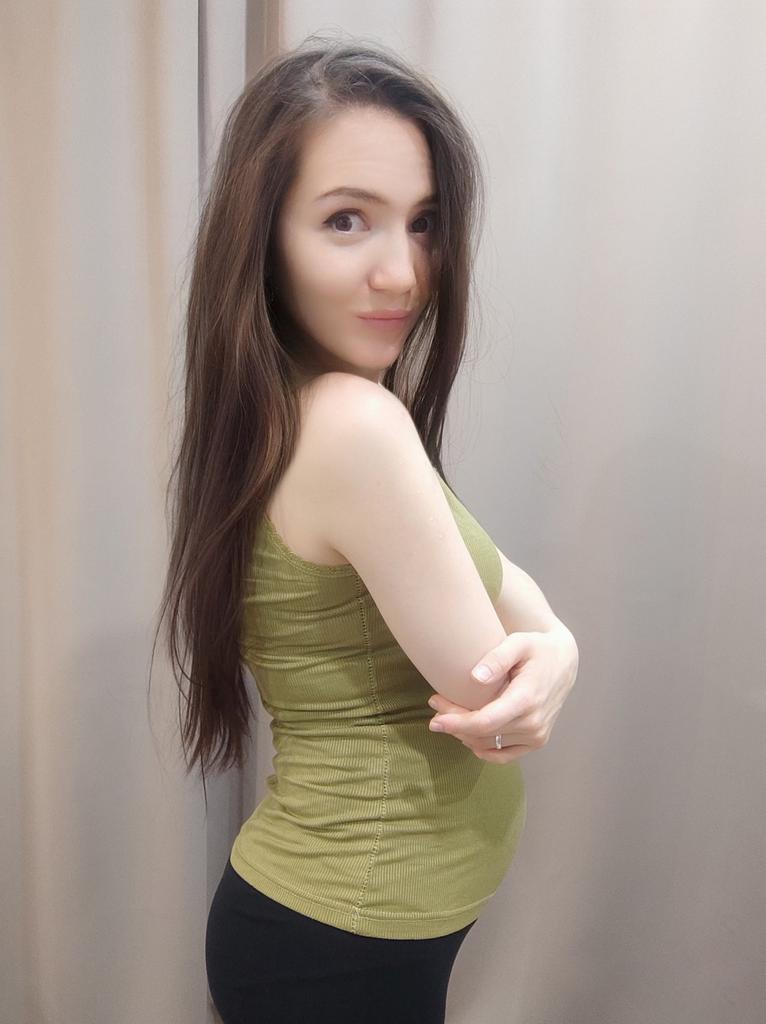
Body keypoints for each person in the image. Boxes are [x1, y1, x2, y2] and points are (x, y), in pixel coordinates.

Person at [153, 33, 578, 1024]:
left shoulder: (296, 409)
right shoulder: (352, 425)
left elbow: (514, 603)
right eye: (347, 220)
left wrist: (559, 644)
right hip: (339, 944)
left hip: (338, 931)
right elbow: (492, 694)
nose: (404, 272)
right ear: (264, 239)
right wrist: (552, 650)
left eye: (424, 223)